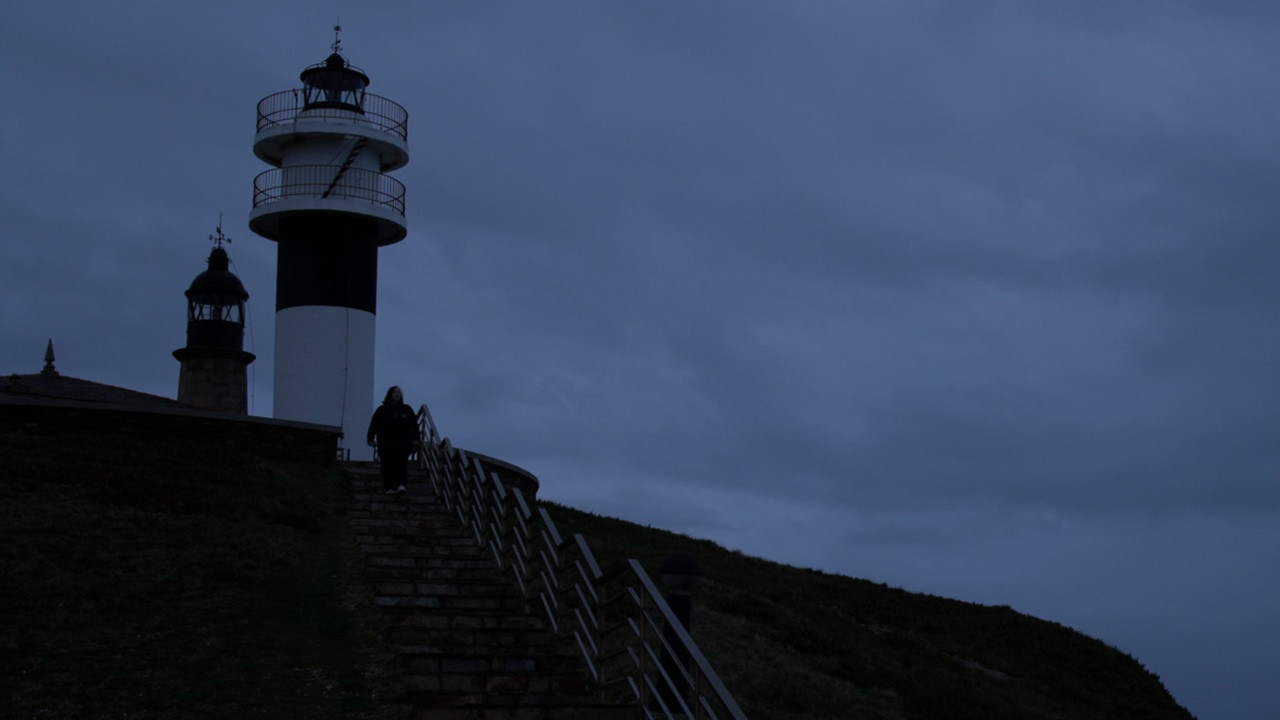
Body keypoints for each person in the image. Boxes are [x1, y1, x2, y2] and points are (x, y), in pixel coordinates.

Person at [366, 386, 418, 494]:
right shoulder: (382, 410)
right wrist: (370, 438)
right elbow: (374, 424)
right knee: (387, 464)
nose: (397, 394)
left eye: (399, 392)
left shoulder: (407, 409)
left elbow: (414, 425)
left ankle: (401, 485)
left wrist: (416, 438)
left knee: (401, 463)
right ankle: (389, 487)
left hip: (403, 441)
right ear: (390, 394)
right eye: (394, 392)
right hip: (386, 442)